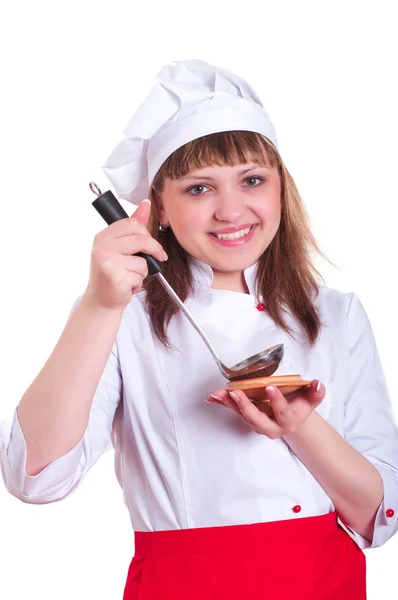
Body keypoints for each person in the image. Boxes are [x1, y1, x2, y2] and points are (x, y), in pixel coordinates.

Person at [1, 59, 397, 599]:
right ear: (157, 206)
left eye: (252, 180)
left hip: (325, 581)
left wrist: (298, 423)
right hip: (188, 585)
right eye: (198, 189)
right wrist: (98, 305)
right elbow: (35, 479)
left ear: (281, 189)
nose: (231, 210)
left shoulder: (337, 314)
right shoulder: (122, 314)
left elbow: (379, 516)